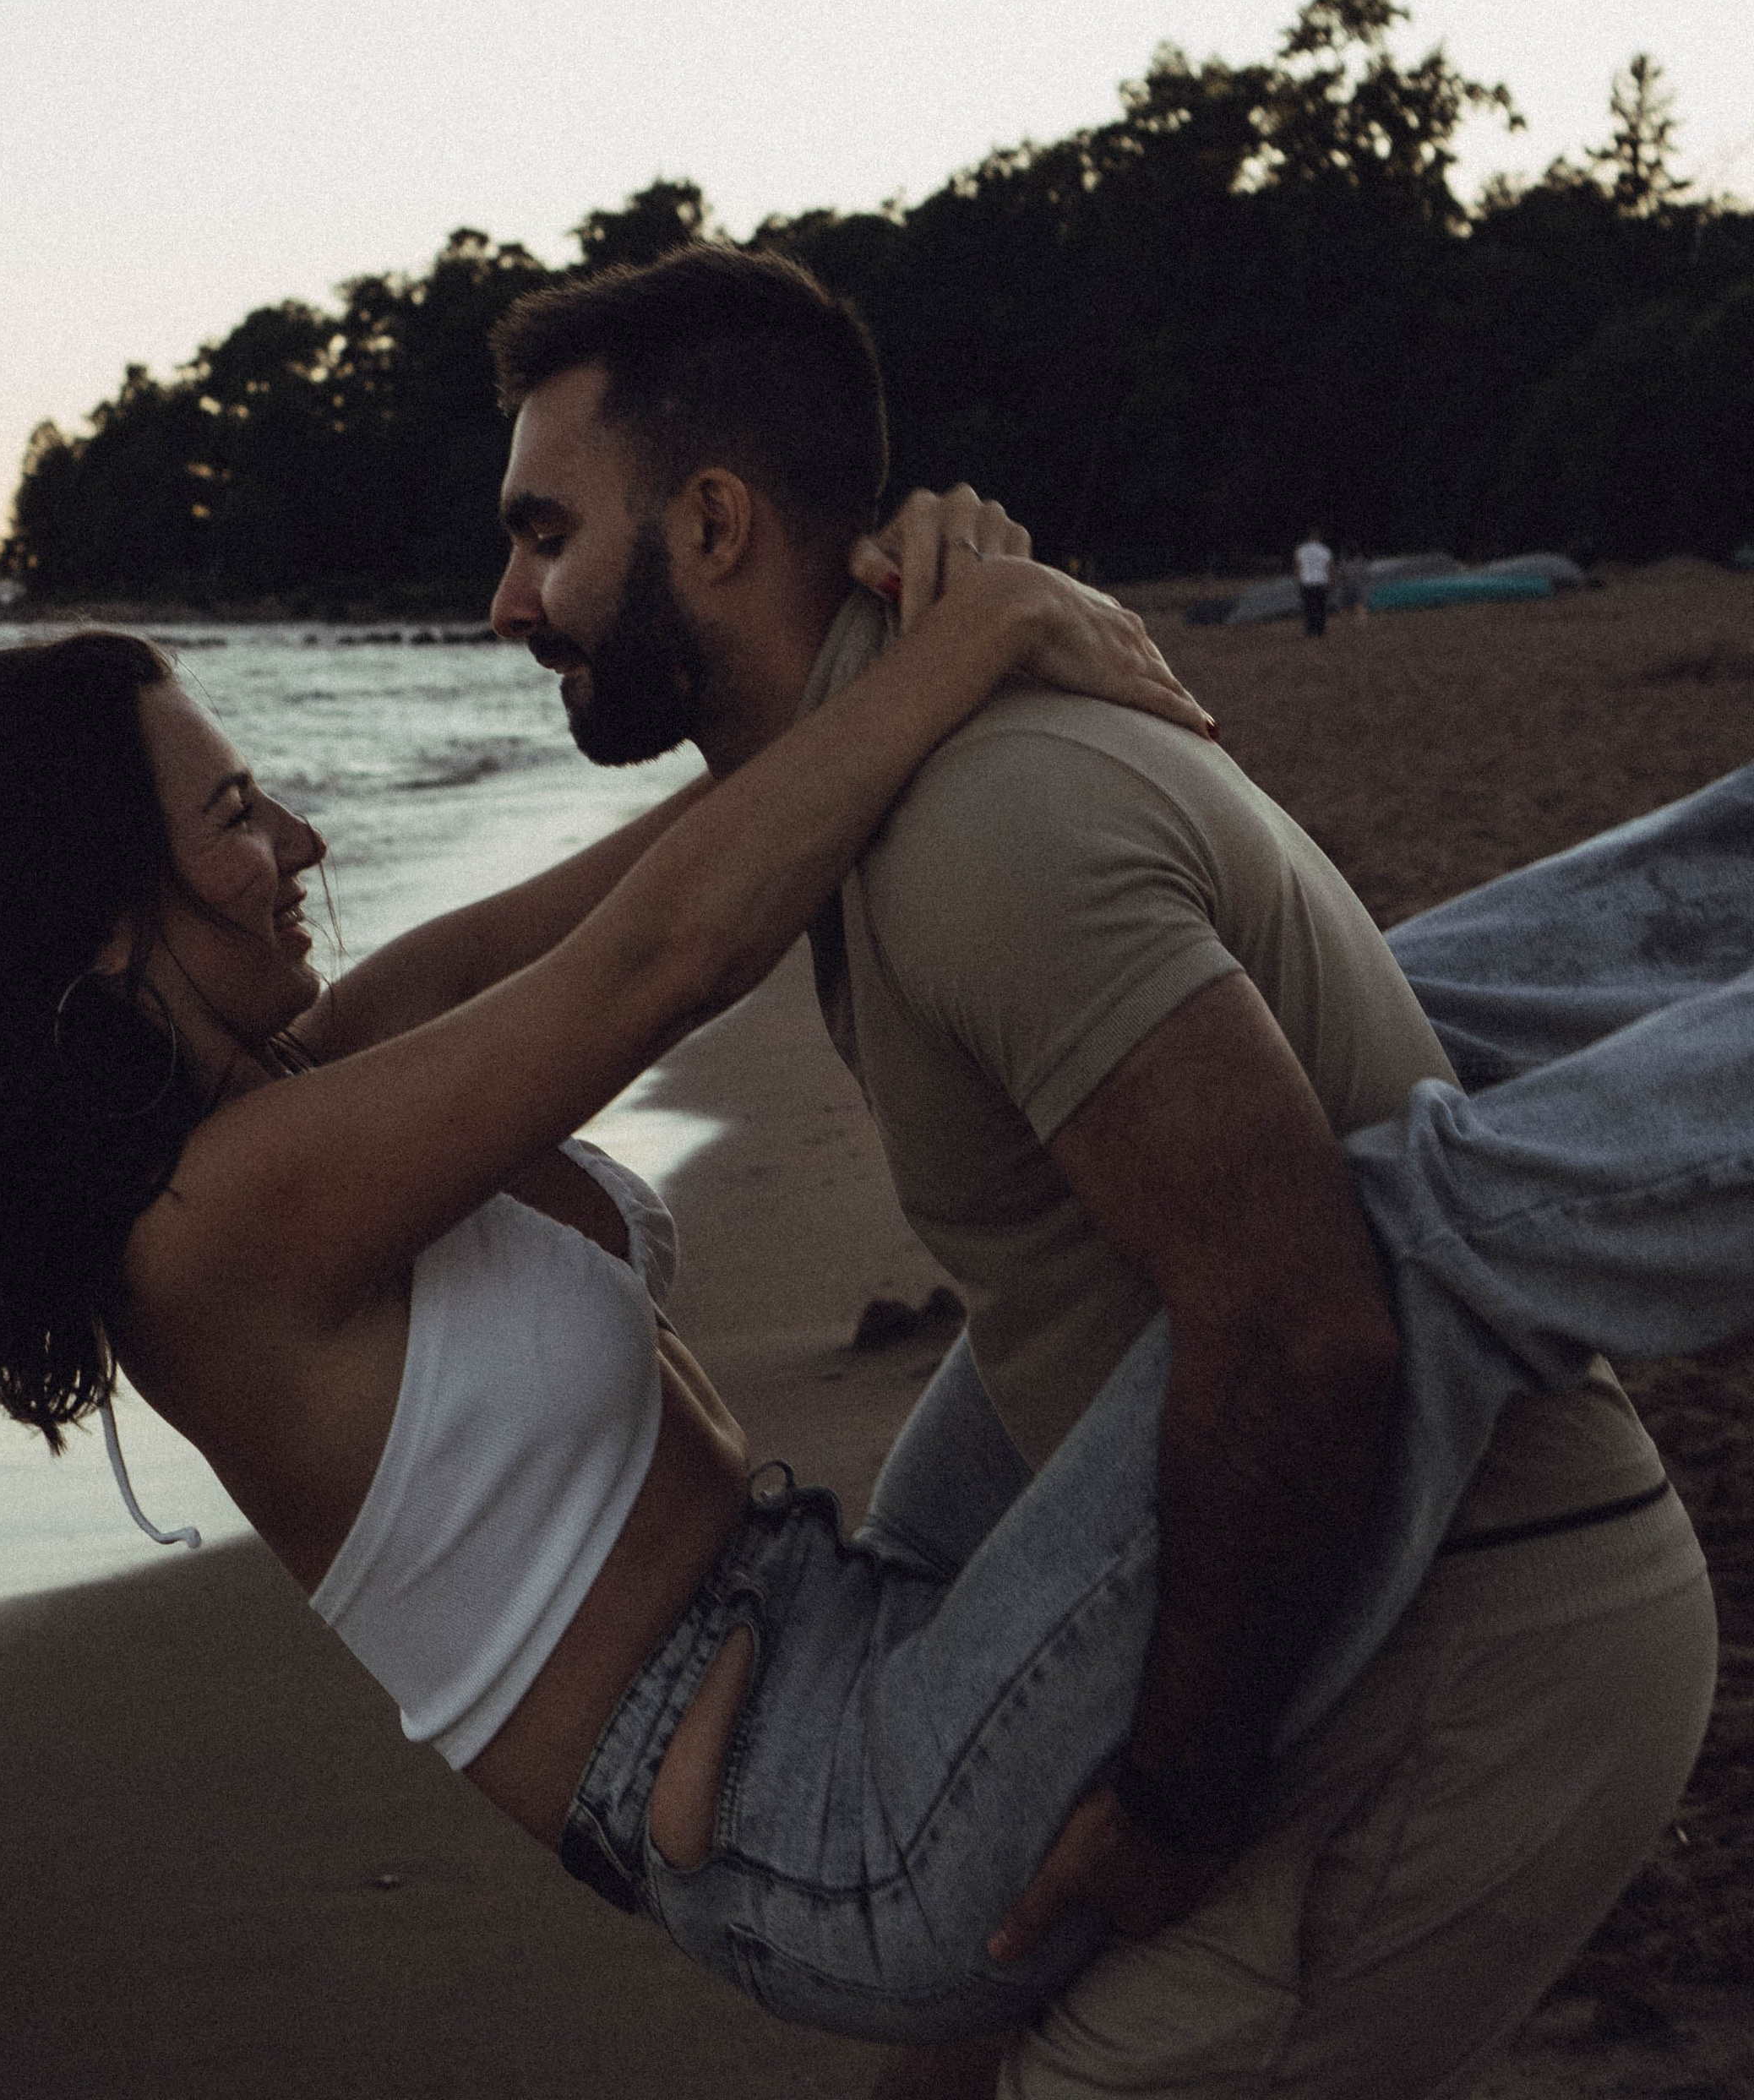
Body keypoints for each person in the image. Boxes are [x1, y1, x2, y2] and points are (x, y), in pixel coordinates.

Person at [485, 248, 1727, 2100]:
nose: (507, 600)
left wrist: (1171, 1796)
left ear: (717, 521)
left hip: (1472, 1642)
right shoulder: (867, 789)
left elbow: (1304, 1327)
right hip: (1316, 1603)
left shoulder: (982, 828)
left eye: (541, 533)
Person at [1294, 528, 1333, 638]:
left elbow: (1298, 566)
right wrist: (1330, 581)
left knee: (1308, 607)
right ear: (1319, 538)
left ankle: (1310, 630)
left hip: (1306, 582)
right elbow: (1329, 567)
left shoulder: (1301, 550)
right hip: (1321, 581)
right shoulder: (1325, 550)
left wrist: (1298, 580)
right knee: (1321, 607)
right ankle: (1320, 630)